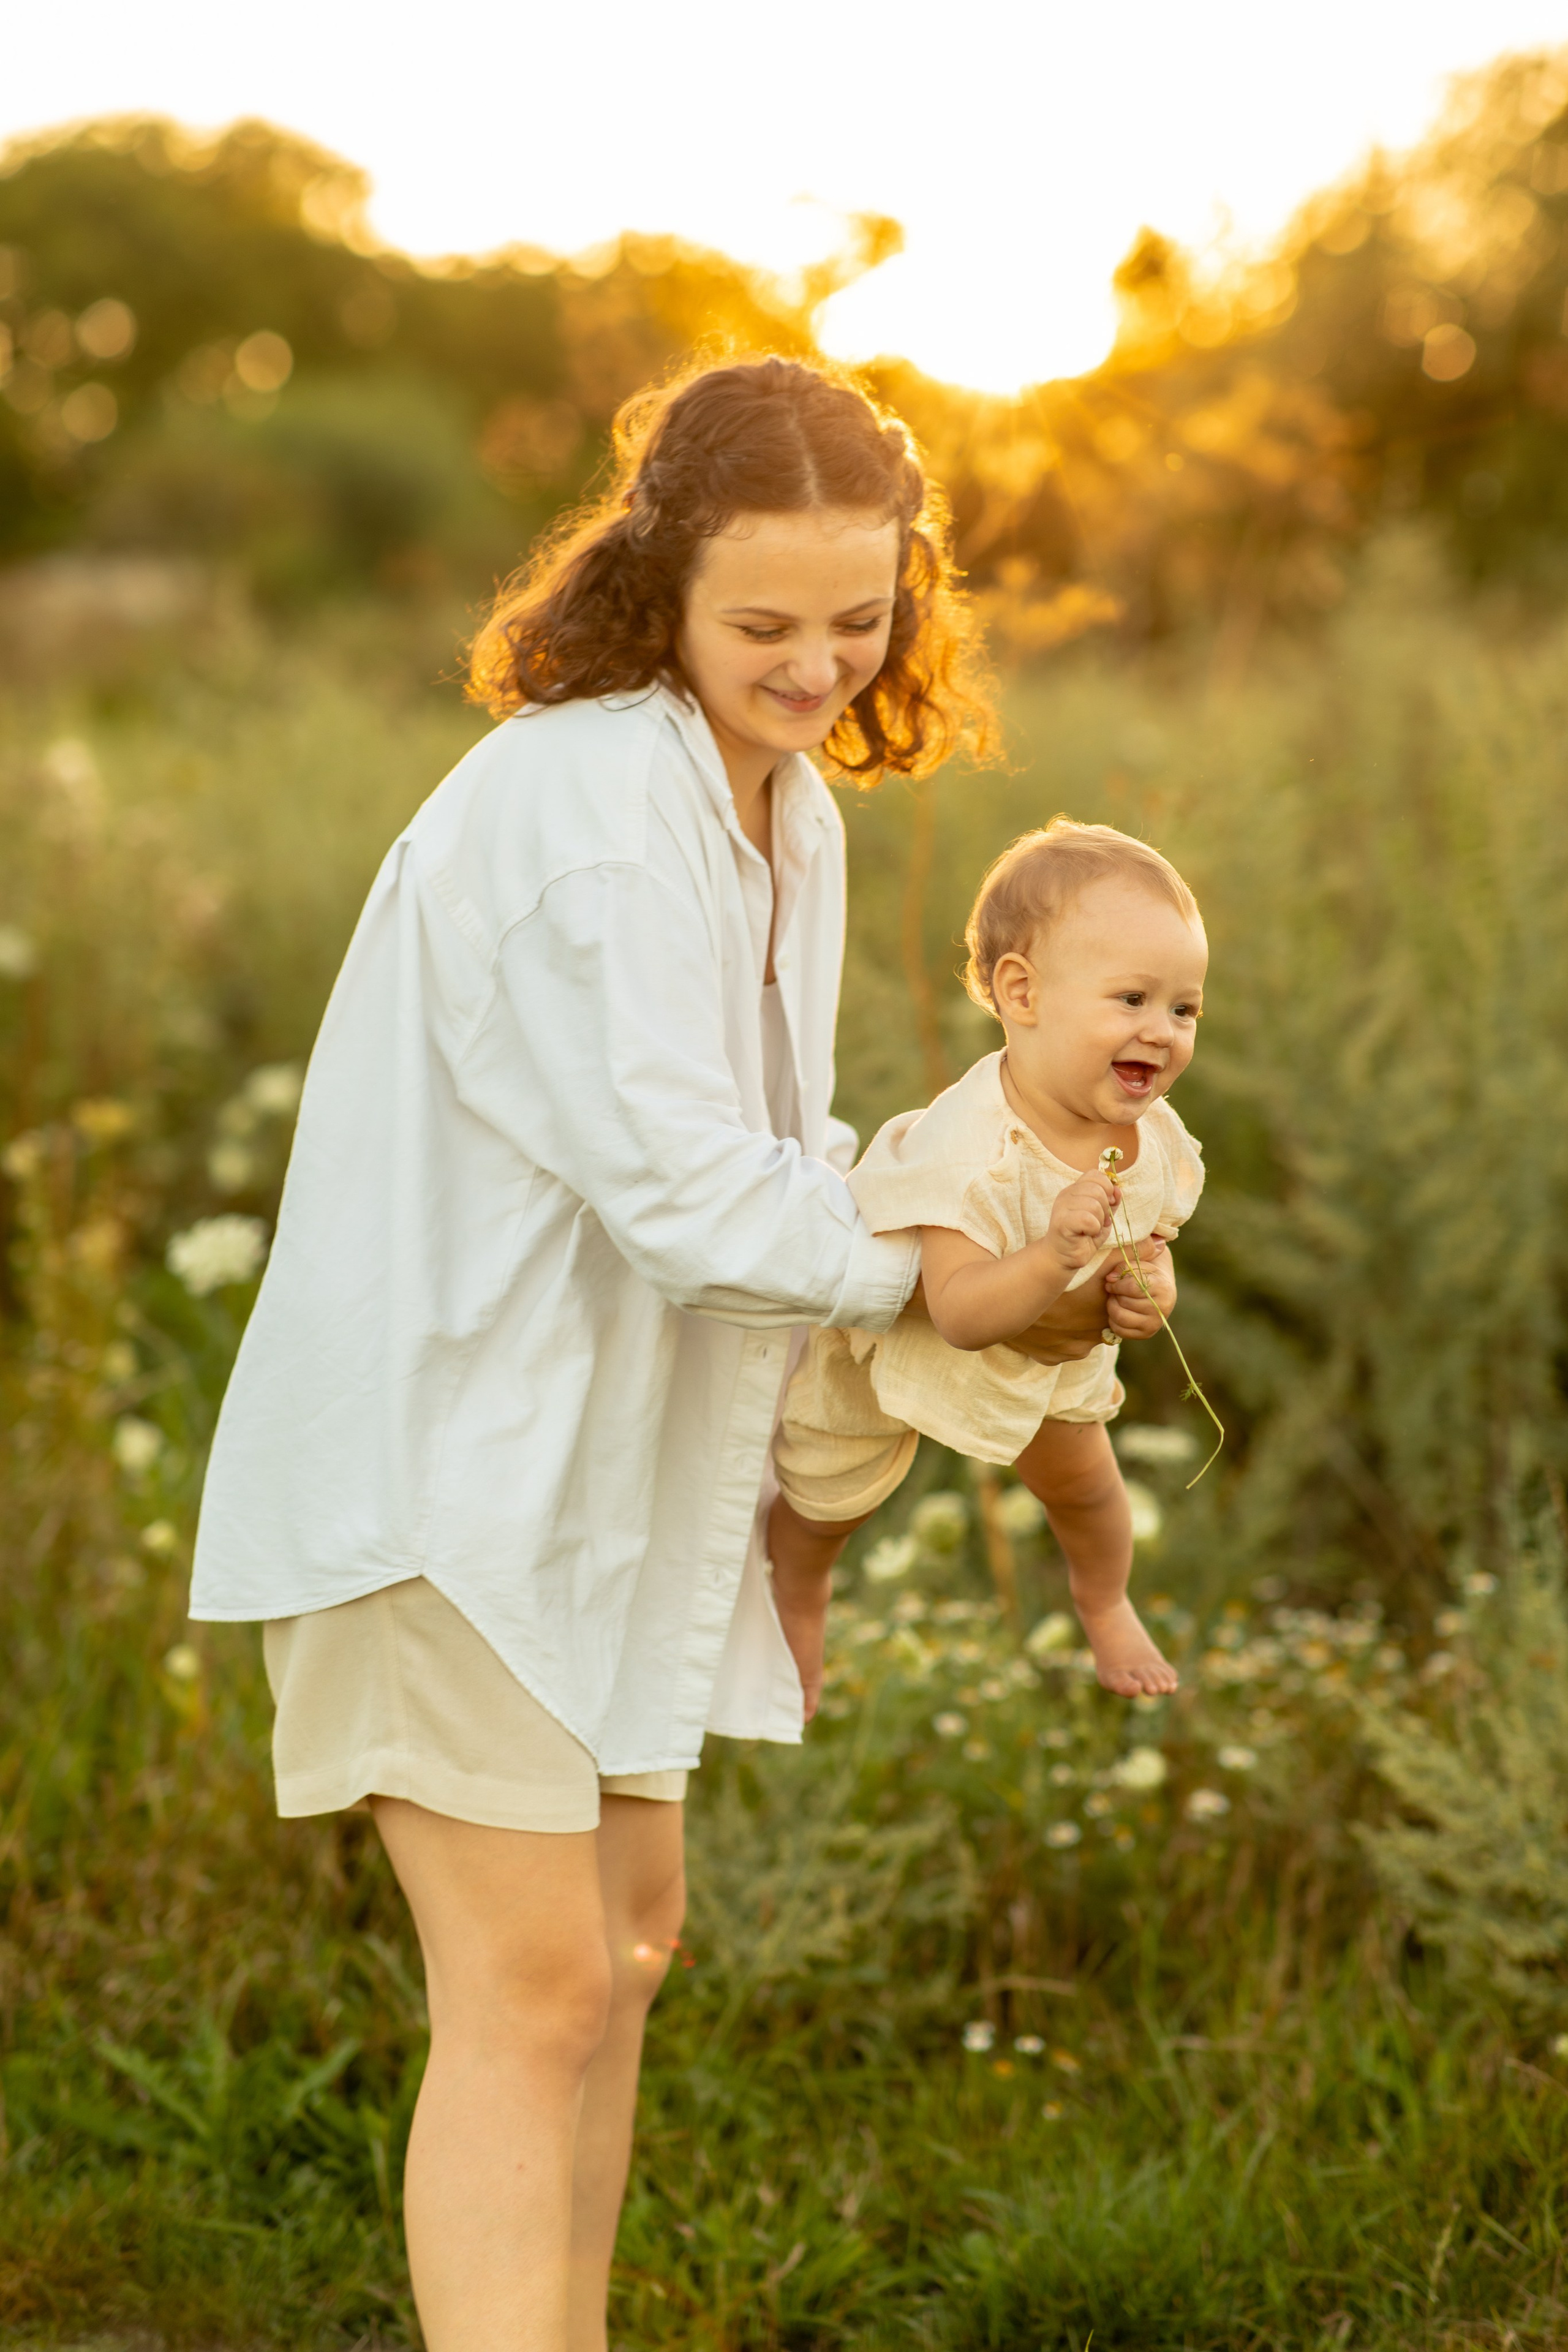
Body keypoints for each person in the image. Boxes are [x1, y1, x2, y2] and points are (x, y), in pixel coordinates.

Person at [187, 357, 1173, 2351]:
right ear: (662, 579)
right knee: (537, 1984)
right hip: (446, 1461)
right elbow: (687, 1194)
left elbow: (770, 1154)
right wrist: (954, 1278)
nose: (817, 668)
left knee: (630, 1954)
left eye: (859, 619)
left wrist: (1020, 1241)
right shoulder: (584, 808)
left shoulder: (785, 807)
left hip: (611, 1477)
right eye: (764, 623)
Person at [769, 819, 1207, 1713]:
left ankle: (1105, 1602)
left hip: (1048, 1358)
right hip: (908, 1341)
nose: (1161, 1032)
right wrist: (1053, 1255)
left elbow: (1150, 1250)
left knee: (1092, 1494)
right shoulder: (969, 1147)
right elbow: (960, 1315)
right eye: (1131, 998)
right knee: (829, 1495)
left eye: (1184, 1009)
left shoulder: (1152, 1137)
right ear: (1022, 992)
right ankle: (798, 1596)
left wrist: (1148, 1296)